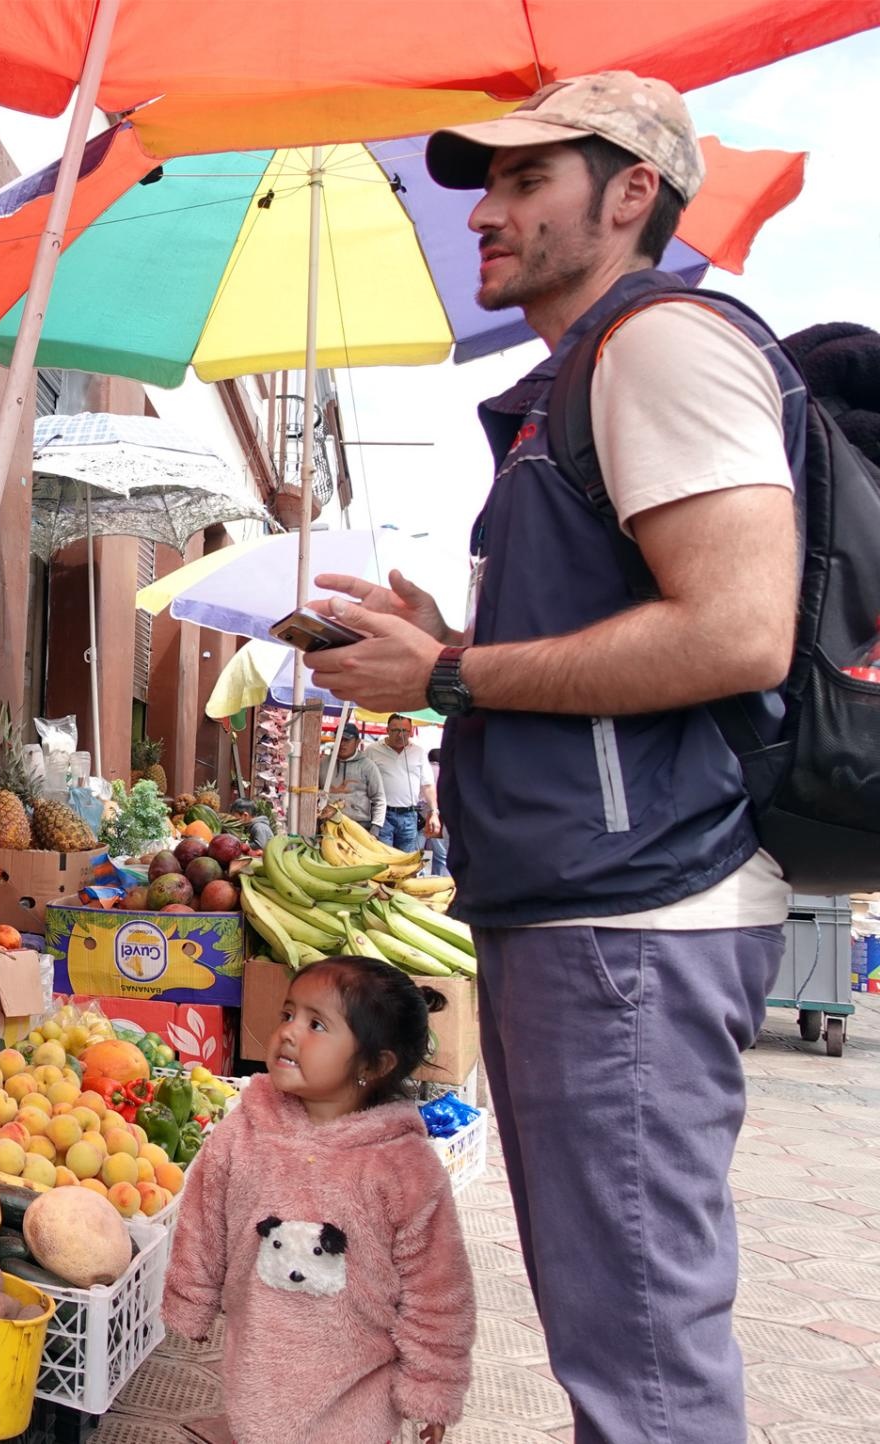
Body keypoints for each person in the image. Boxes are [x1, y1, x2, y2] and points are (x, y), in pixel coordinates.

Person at [306, 72, 797, 1444]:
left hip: (633, 912)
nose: (489, 215)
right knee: (612, 1333)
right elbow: (614, 644)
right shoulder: (582, 381)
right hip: (585, 906)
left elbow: (741, 629)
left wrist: (452, 673)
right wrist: (443, 639)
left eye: (530, 183)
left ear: (632, 193)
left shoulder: (662, 346)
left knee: (641, 1357)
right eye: (487, 187)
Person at [162, 957, 474, 1444]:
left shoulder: (403, 1167)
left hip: (358, 1379)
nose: (288, 1033)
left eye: (316, 1024)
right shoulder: (243, 1133)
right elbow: (203, 1223)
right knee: (260, 1426)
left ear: (373, 1064)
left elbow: (437, 1290)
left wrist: (432, 1386)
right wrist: (191, 1300)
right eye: (288, 1014)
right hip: (260, 1356)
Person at [363, 713, 436, 857]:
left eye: (404, 731)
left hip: (409, 815)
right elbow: (362, 781)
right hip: (381, 815)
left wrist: (434, 812)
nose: (400, 735)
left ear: (411, 731)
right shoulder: (372, 750)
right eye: (395, 730)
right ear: (387, 730)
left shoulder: (418, 752)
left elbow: (428, 785)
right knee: (384, 860)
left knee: (406, 861)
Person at [324, 724, 385, 831]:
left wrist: (376, 827)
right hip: (328, 824)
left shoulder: (368, 766)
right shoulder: (323, 764)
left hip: (360, 826)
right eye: (339, 739)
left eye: (346, 740)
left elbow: (379, 799)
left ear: (357, 742)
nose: (342, 744)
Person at [424, 749, 449, 877]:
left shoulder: (425, 770)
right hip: (438, 816)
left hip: (419, 815)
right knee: (440, 856)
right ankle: (439, 879)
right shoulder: (445, 772)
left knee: (416, 851)